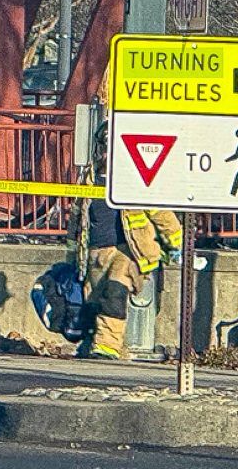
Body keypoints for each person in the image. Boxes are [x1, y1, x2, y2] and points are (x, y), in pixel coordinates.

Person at [83, 127, 184, 360]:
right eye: (105, 147)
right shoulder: (89, 178)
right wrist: (72, 250)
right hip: (97, 252)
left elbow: (160, 213)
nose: (108, 154)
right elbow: (79, 215)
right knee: (95, 299)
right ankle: (108, 345)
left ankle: (106, 347)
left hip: (129, 250)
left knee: (114, 292)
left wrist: (178, 243)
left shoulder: (134, 178)